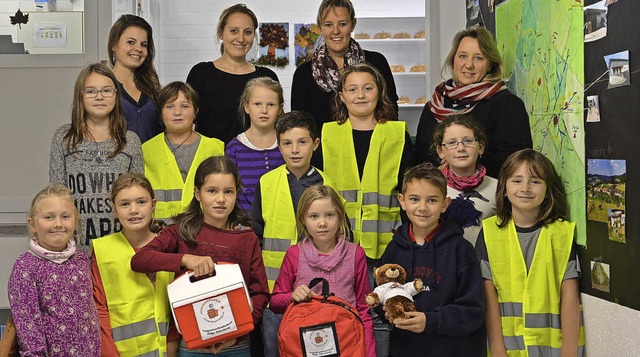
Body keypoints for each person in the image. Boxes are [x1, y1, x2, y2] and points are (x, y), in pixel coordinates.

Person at [131, 156, 269, 357]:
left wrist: (237, 331)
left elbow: (260, 293)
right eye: (212, 191)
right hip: (192, 344)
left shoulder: (246, 238)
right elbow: (140, 260)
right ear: (197, 193)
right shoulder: (179, 232)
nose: (220, 199)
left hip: (236, 345)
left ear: (237, 194)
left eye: (228, 192)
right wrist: (185, 259)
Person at [475, 149, 585, 356]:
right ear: (504, 189)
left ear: (547, 190)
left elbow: (570, 300)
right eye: (517, 181)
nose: (525, 188)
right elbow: (489, 298)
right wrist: (498, 349)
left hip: (552, 348)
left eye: (535, 181)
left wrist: (569, 352)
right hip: (507, 348)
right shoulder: (489, 233)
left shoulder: (562, 234)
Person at [250, 110, 339, 357]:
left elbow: (340, 237)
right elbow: (255, 234)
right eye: (287, 143)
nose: (295, 150)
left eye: (302, 142)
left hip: (318, 289)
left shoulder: (328, 185)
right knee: (274, 346)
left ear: (315, 144)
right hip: (275, 289)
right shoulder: (266, 183)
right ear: (278, 146)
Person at [378, 163, 485, 356]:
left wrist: (430, 321)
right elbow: (382, 294)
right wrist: (386, 310)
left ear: (445, 204)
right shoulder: (393, 250)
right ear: (402, 201)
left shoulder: (461, 250)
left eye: (432, 200)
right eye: (414, 199)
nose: (422, 207)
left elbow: (473, 311)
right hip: (405, 350)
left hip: (452, 350)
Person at [270, 185, 375, 357]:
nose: (322, 223)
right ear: (303, 219)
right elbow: (275, 302)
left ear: (340, 217)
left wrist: (368, 353)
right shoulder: (295, 254)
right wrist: (291, 296)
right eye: (314, 216)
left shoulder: (356, 254)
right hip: (306, 344)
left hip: (347, 344)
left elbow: (363, 309)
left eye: (329, 215)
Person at [414, 25, 532, 178]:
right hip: (436, 194)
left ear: (490, 65)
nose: (469, 65)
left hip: (487, 195)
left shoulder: (508, 105)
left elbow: (516, 162)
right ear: (453, 60)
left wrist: (460, 168)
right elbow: (420, 157)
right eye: (462, 56)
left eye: (478, 58)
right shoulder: (434, 105)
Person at [49, 63, 144, 251]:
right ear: (80, 96)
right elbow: (57, 196)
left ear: (116, 96)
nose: (99, 97)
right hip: (74, 247)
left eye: (107, 90)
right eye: (91, 91)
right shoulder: (63, 138)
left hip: (120, 246)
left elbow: (137, 198)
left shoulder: (130, 141)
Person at [91, 173, 178, 356]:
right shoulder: (103, 251)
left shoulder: (170, 246)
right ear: (114, 208)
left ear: (153, 205)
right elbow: (99, 309)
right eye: (125, 204)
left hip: (167, 351)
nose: (133, 210)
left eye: (141, 202)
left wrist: (172, 346)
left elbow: (175, 305)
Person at [8, 184, 100, 356]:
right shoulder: (26, 267)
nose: (58, 224)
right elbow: (28, 326)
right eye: (49, 217)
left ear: (75, 220)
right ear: (33, 224)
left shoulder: (81, 260)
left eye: (65, 216)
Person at [291, 0, 398, 133]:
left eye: (342, 24)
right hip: (323, 150)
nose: (335, 31)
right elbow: (299, 124)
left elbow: (391, 111)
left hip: (374, 146)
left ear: (353, 24)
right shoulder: (304, 74)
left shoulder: (376, 63)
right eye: (328, 25)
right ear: (320, 27)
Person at [187, 4, 279, 143]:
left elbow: (275, 125)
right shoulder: (200, 74)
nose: (241, 39)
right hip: (210, 160)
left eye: (247, 32)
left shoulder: (266, 77)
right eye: (234, 31)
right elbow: (187, 121)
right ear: (220, 33)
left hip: (254, 160)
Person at [143, 81, 224, 221]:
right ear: (160, 111)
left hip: (205, 231)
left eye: (185, 106)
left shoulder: (215, 148)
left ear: (196, 110)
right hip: (160, 234)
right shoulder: (146, 150)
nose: (177, 112)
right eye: (169, 106)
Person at [433, 114, 497, 245]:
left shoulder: (498, 188)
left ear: (481, 147)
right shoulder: (430, 187)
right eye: (452, 143)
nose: (461, 148)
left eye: (468, 141)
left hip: (485, 263)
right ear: (440, 151)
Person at [226, 77, 286, 213]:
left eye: (271, 105)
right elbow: (231, 190)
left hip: (284, 222)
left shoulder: (287, 144)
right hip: (246, 225)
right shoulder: (234, 148)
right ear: (247, 106)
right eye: (257, 104)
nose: (264, 110)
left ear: (280, 108)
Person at [108, 14, 162, 144]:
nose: (138, 49)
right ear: (114, 45)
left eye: (143, 44)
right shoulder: (101, 87)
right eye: (131, 42)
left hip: (151, 163)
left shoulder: (153, 88)